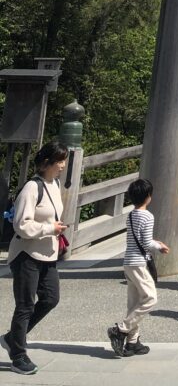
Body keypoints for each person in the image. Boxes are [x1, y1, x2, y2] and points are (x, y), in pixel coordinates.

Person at [2, 142, 69, 375]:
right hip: (25, 254)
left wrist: (54, 229)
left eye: (64, 160)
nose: (63, 165)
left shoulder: (55, 184)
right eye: (59, 161)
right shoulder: (32, 187)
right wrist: (50, 228)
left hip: (47, 253)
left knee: (51, 298)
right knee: (25, 305)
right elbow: (21, 225)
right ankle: (18, 355)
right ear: (47, 162)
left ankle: (12, 338)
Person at [107, 178, 170, 358]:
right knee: (150, 298)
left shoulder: (131, 215)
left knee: (134, 303)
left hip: (128, 262)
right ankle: (121, 329)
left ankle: (132, 342)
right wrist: (159, 247)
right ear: (148, 196)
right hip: (139, 263)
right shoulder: (147, 216)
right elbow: (146, 242)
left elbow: (139, 239)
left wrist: (154, 243)